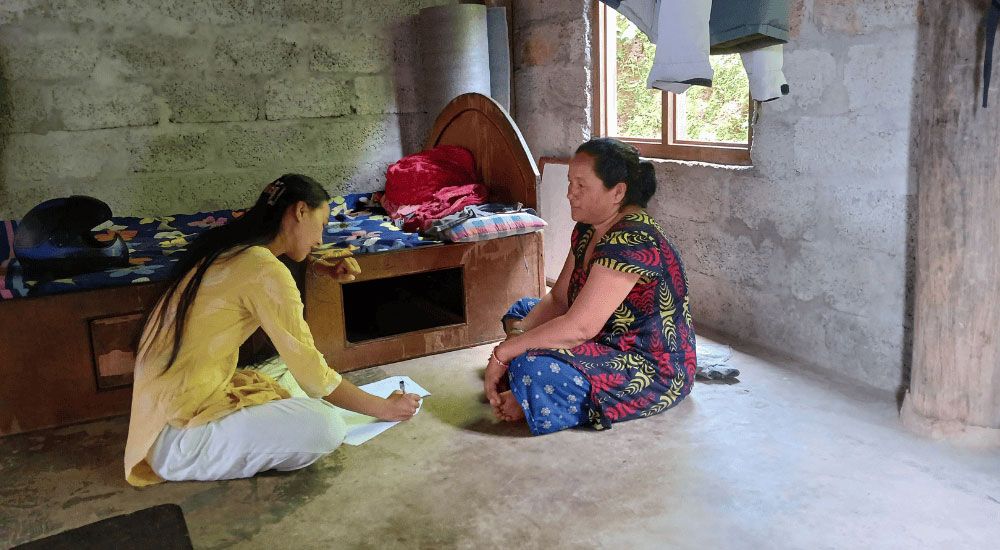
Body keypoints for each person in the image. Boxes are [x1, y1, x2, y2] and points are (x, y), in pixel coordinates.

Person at [124, 174, 421, 486]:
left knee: (279, 369)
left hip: (157, 417)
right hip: (179, 442)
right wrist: (385, 408)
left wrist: (317, 265)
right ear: (300, 211)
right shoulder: (264, 269)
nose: (320, 239)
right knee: (327, 427)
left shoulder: (229, 246)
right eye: (321, 225)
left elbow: (257, 279)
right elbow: (315, 375)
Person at [484, 138, 697, 434]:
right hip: (603, 335)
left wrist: (504, 354)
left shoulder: (633, 239)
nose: (570, 193)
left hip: (644, 362)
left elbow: (580, 328)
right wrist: (516, 339)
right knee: (521, 312)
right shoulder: (588, 228)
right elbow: (559, 299)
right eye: (571, 183)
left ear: (617, 192)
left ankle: (533, 396)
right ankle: (529, 385)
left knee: (534, 369)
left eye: (581, 185)